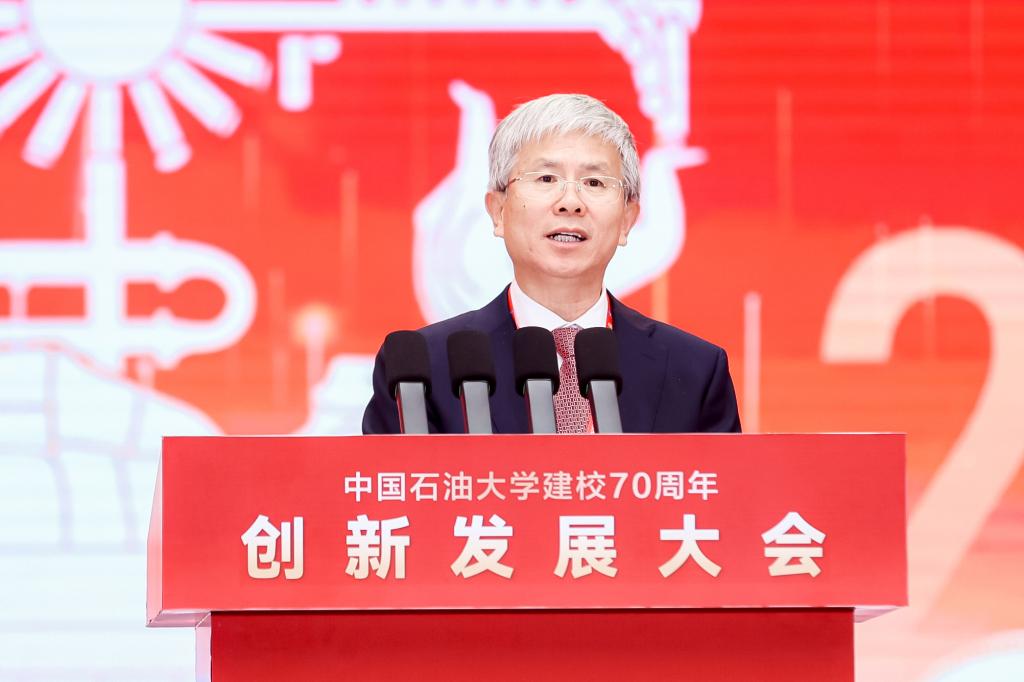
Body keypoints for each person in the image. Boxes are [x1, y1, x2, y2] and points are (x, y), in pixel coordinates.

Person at [362, 93, 740, 434]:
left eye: (594, 183)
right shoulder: (422, 371)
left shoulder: (694, 370)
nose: (570, 202)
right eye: (546, 178)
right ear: (498, 211)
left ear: (628, 220)